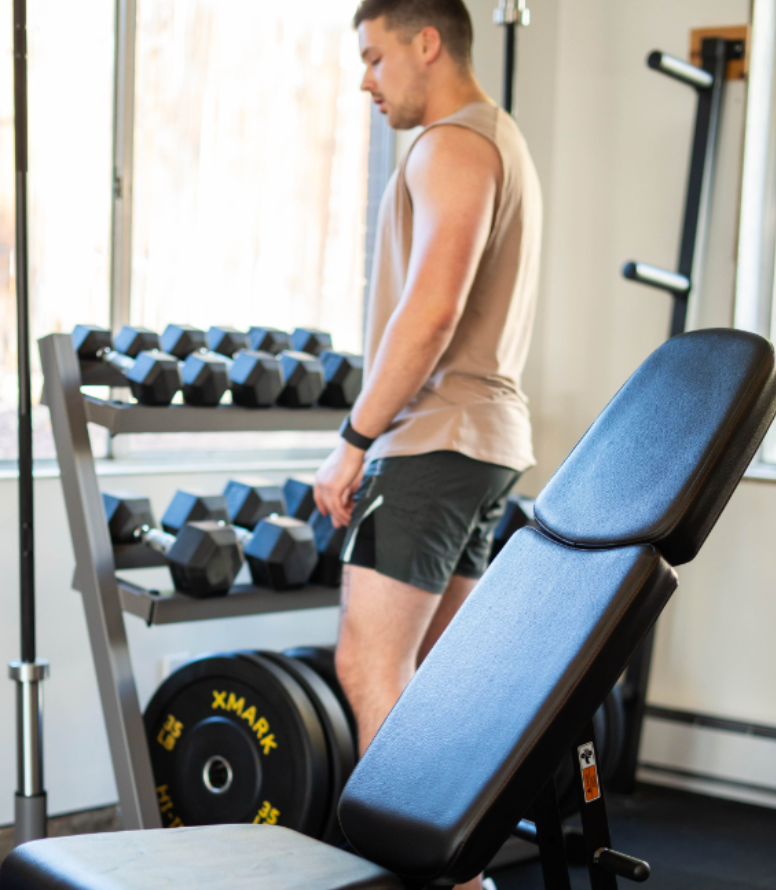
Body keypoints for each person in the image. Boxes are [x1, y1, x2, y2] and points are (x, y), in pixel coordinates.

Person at [314, 0, 542, 854]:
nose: (366, 80)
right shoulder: (498, 139)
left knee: (370, 668)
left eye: (375, 58)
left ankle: (424, 873)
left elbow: (433, 309)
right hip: (484, 443)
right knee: (436, 686)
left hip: (433, 442)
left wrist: (355, 438)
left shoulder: (450, 145)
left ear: (427, 42)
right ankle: (461, 875)